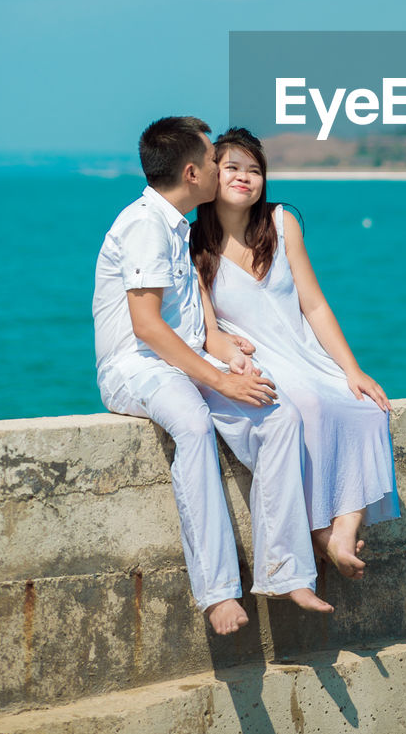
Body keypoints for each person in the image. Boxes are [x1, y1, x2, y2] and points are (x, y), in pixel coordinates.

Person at [92, 116, 333, 636]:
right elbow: (148, 327)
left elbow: (193, 320)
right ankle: (219, 592)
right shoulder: (143, 226)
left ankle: (287, 571)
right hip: (135, 368)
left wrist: (229, 353)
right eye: (211, 160)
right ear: (191, 172)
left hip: (183, 360)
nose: (219, 168)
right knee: (195, 426)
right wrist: (221, 380)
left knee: (279, 415)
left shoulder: (178, 226)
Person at [191, 127, 399, 580]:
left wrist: (352, 368)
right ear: (210, 174)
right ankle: (323, 535)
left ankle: (340, 533)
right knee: (309, 406)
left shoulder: (282, 223)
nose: (245, 178)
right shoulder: (194, 245)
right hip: (258, 358)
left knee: (368, 410)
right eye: (232, 168)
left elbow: (315, 304)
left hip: (302, 349)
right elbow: (206, 330)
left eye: (255, 170)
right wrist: (229, 353)